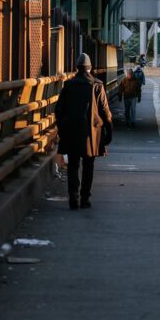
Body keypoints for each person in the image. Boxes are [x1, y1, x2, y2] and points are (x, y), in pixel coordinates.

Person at [55, 53, 113, 210]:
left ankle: (73, 198)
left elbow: (59, 110)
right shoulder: (97, 85)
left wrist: (62, 129)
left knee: (73, 165)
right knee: (89, 165)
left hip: (72, 133)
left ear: (77, 68)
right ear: (90, 68)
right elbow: (105, 111)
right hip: (92, 134)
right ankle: (85, 198)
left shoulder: (68, 85)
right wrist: (109, 130)